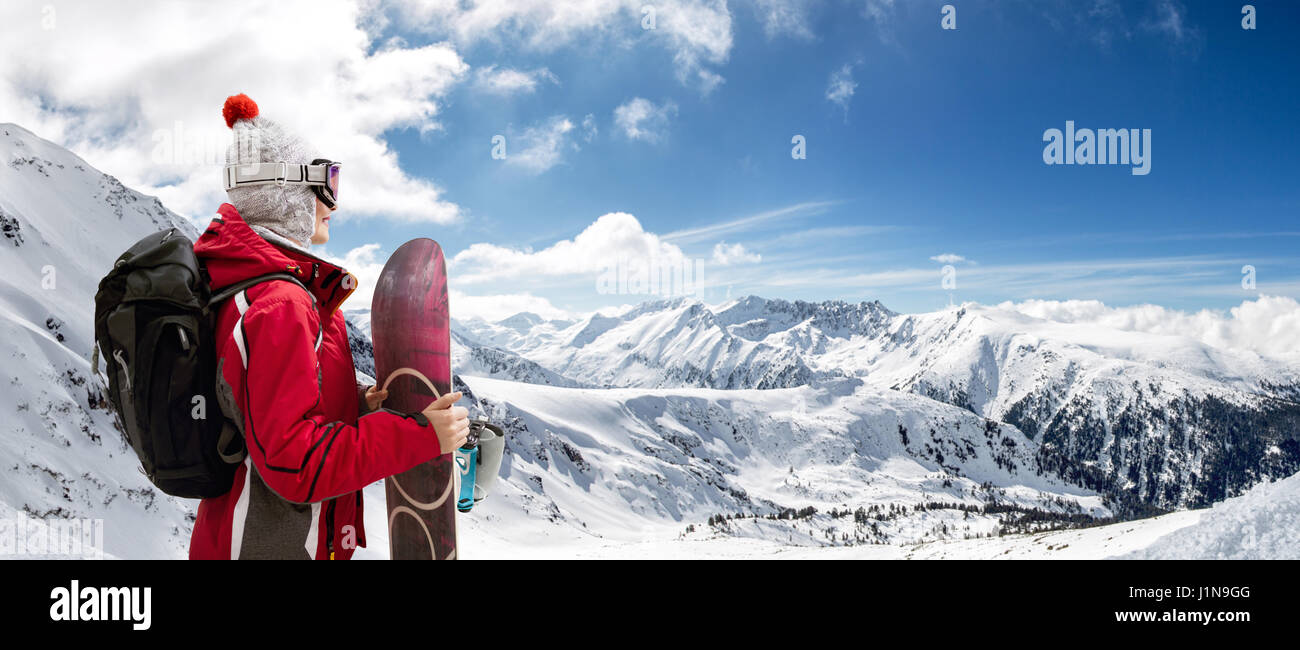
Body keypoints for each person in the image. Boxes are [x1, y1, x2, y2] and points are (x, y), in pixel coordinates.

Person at [188, 94, 469, 560]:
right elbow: (294, 461)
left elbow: (259, 407)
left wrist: (357, 405)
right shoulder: (280, 304)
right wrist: (422, 436)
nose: (332, 203)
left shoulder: (258, 286)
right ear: (288, 193)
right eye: (328, 181)